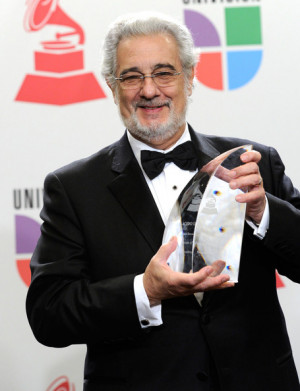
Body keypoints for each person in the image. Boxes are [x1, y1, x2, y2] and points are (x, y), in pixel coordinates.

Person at [26, 12, 300, 391]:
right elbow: (48, 314)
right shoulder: (72, 188)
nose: (149, 90)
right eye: (132, 76)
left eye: (164, 72)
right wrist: (145, 291)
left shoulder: (254, 164)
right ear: (111, 86)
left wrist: (262, 210)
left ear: (190, 77)